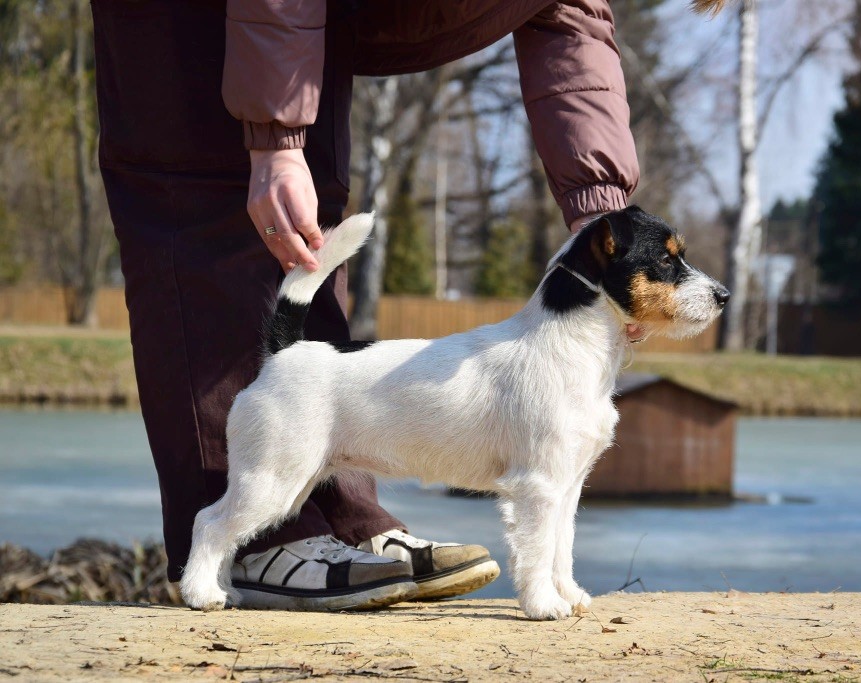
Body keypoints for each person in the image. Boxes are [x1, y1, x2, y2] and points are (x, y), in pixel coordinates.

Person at [90, 0, 675, 610]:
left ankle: (350, 528)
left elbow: (573, 30)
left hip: (308, 41)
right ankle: (247, 551)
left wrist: (599, 206)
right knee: (213, 216)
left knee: (315, 207)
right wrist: (272, 140)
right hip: (196, 40)